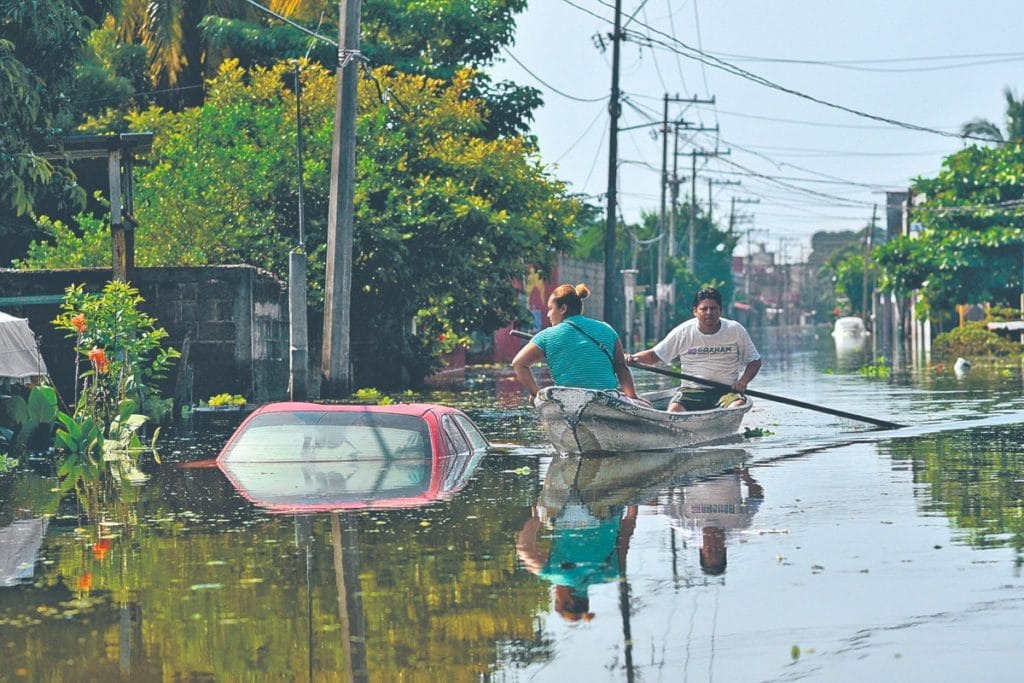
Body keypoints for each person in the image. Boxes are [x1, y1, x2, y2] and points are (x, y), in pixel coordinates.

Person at [626, 287, 761, 412]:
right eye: (704, 309)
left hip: (726, 392)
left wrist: (743, 381)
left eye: (713, 308)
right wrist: (631, 358)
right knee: (674, 411)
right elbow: (654, 356)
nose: (709, 313)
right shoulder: (683, 332)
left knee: (736, 407)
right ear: (695, 311)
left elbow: (754, 361)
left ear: (720, 310)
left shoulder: (734, 330)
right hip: (691, 391)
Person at [512, 282, 645, 406]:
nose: (548, 315)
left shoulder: (546, 335)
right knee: (641, 403)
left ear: (563, 308)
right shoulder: (607, 329)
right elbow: (621, 367)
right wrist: (632, 398)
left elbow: (518, 363)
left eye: (550, 309)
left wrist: (536, 395)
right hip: (608, 399)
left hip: (568, 401)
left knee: (533, 398)